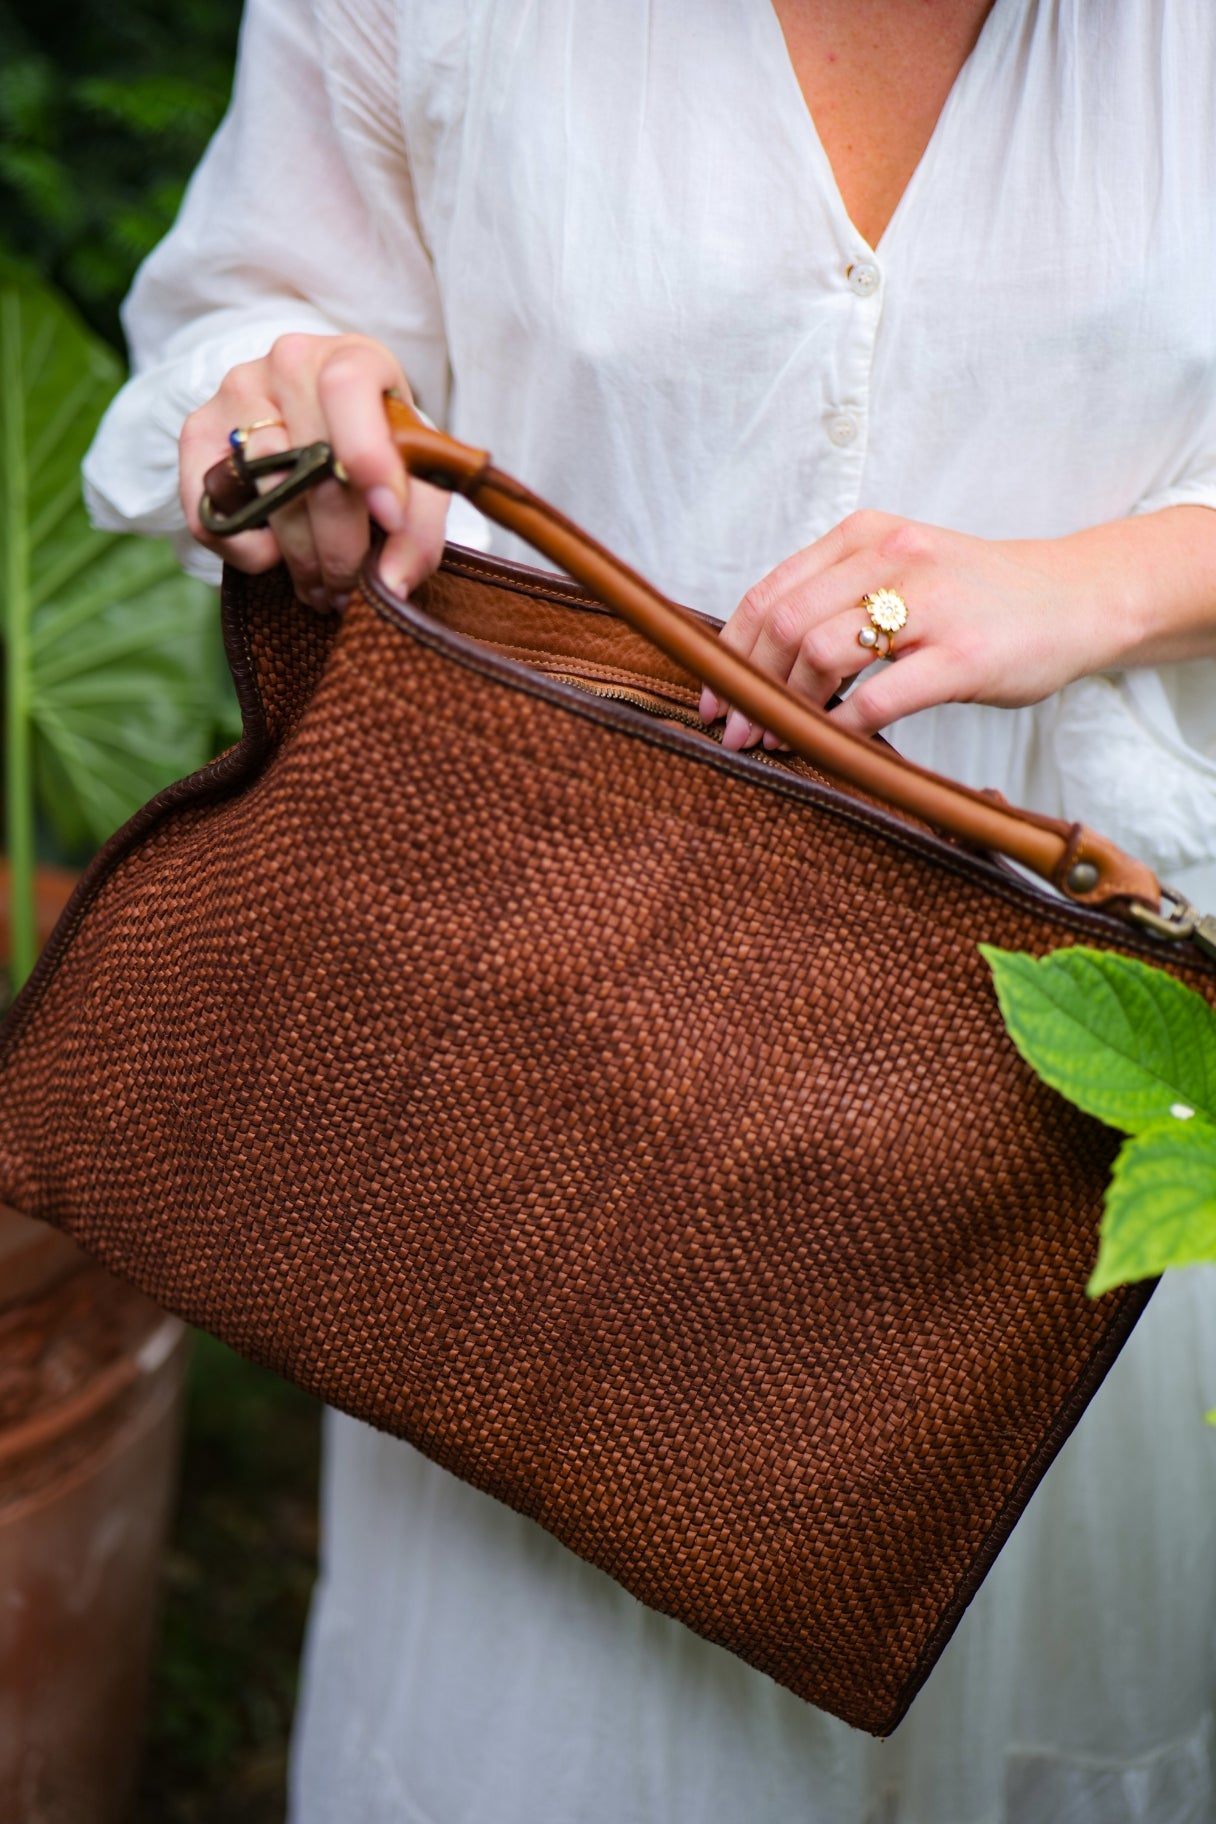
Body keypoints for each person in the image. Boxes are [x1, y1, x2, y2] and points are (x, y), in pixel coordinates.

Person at [84, 2, 1216, 1819]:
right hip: (532, 1098)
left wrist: (1103, 584)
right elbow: (236, 312)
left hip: (1059, 1116)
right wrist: (276, 400)